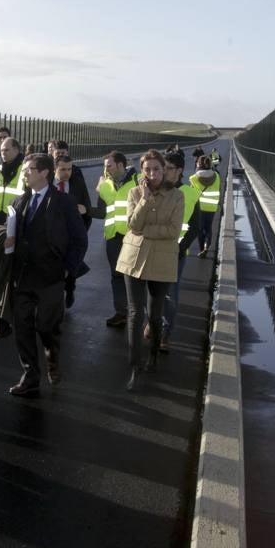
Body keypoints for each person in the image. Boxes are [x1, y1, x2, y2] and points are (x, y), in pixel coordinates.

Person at [5, 153, 86, 398]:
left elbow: (79, 240)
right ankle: (30, 375)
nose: (25, 173)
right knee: (22, 326)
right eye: (25, 170)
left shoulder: (64, 202)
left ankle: (52, 356)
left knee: (47, 327)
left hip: (51, 277)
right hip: (24, 276)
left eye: (29, 169)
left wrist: (66, 269)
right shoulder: (19, 203)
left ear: (44, 172)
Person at [117, 151, 182, 390]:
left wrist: (147, 230)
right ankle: (135, 367)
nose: (152, 174)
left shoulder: (177, 196)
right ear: (142, 171)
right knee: (135, 314)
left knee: (154, 315)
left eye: (156, 169)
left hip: (162, 261)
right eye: (147, 169)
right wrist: (144, 200)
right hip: (133, 259)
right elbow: (132, 224)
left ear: (163, 170)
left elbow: (173, 231)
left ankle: (153, 355)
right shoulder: (135, 193)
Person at [160, 151, 199, 350]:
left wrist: (180, 247)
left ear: (180, 170)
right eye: (163, 167)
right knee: (150, 291)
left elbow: (195, 226)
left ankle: (166, 332)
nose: (165, 172)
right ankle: (152, 323)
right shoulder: (154, 188)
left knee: (169, 295)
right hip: (152, 251)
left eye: (169, 168)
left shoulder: (190, 193)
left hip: (175, 253)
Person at [95, 151, 138, 327]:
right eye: (105, 166)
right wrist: (83, 209)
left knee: (135, 278)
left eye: (109, 166)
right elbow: (101, 212)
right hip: (113, 237)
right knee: (116, 276)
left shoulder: (138, 181)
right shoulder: (105, 185)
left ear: (121, 165)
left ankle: (137, 314)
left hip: (133, 237)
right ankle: (121, 312)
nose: (106, 169)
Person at [53, 153, 92, 309]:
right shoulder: (47, 184)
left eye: (69, 169)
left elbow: (87, 207)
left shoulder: (77, 184)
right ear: (54, 169)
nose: (67, 173)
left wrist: (84, 210)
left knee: (70, 266)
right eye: (63, 169)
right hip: (52, 235)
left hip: (70, 236)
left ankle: (70, 289)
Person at [189, 154, 222, 257]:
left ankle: (202, 249)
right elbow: (218, 189)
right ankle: (207, 247)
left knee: (200, 228)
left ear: (198, 164)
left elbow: (191, 193)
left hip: (200, 207)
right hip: (212, 206)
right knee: (208, 228)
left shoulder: (193, 178)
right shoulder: (216, 176)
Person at [0, 135, 25, 228]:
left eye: (6, 150)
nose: (3, 153)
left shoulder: (25, 169)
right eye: (1, 150)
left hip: (16, 216)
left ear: (16, 150)